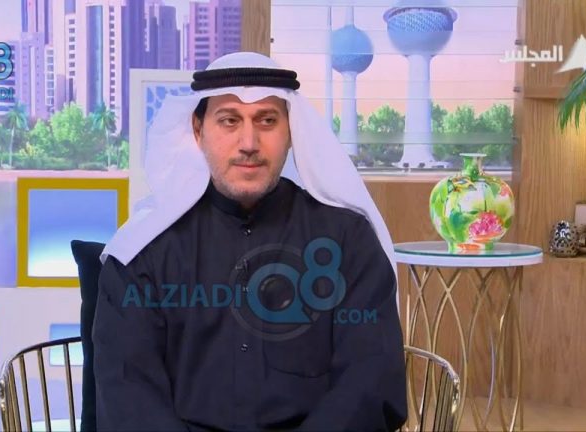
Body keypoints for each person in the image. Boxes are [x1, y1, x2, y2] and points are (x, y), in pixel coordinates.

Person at [94, 52, 407, 431]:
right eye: (229, 120)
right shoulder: (144, 251)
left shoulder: (349, 241)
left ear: (290, 132)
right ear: (198, 131)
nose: (248, 142)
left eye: (267, 120)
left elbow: (370, 380)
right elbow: (129, 393)